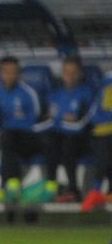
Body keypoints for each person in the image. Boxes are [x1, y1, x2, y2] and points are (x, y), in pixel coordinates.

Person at [0, 56, 52, 203]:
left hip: (29, 137)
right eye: (6, 71)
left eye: (13, 72)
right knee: (2, 140)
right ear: (0, 73)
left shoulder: (29, 93)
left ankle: (12, 185)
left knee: (8, 138)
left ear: (19, 74)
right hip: (7, 138)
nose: (10, 75)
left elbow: (38, 121)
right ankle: (9, 187)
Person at [44, 55, 94, 203]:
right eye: (66, 72)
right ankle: (50, 186)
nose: (69, 76)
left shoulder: (87, 93)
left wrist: (60, 120)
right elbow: (48, 119)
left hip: (82, 139)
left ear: (80, 74)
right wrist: (65, 119)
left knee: (68, 142)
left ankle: (73, 189)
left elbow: (84, 122)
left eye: (73, 72)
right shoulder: (55, 94)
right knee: (50, 141)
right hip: (60, 138)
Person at [80, 69, 112, 211]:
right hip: (103, 130)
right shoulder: (108, 81)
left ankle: (96, 190)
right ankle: (98, 190)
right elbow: (96, 111)